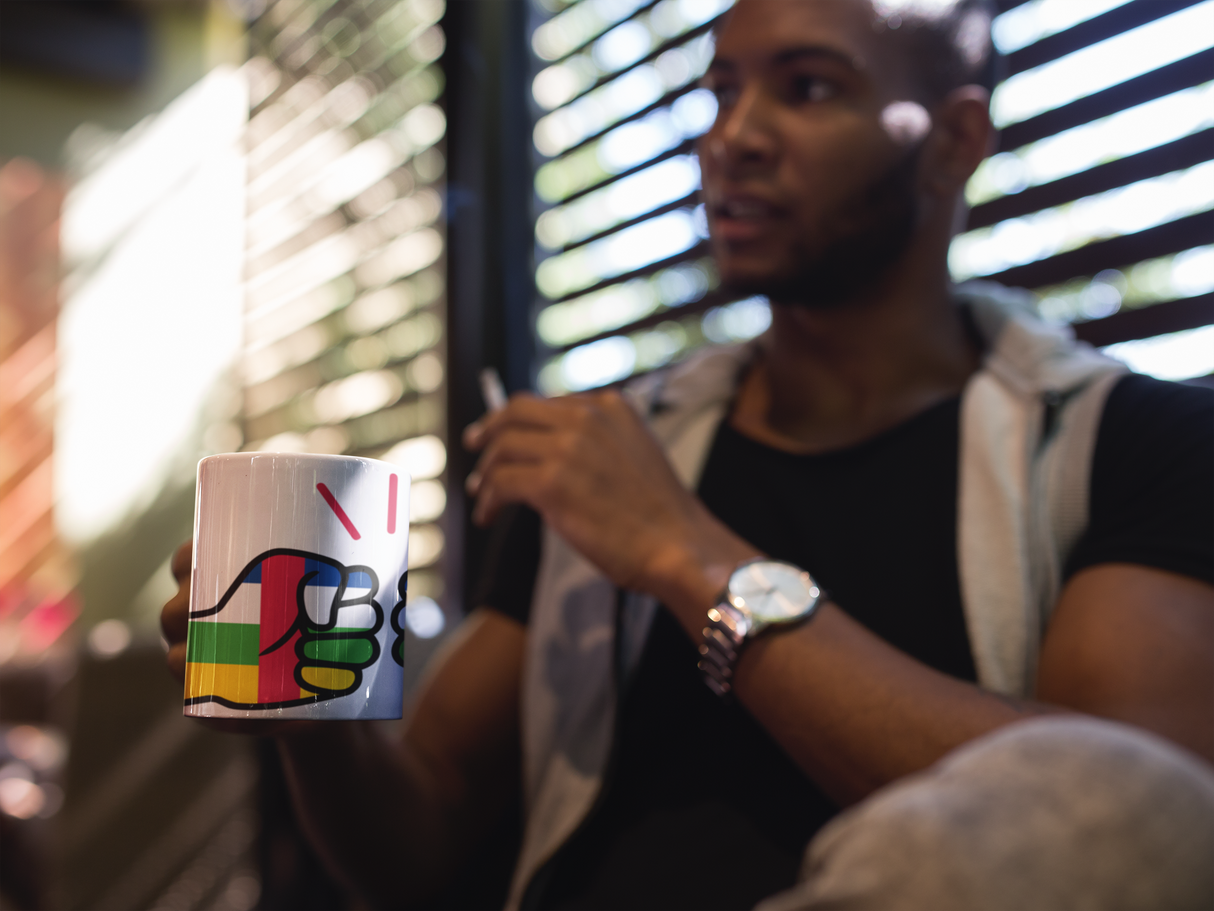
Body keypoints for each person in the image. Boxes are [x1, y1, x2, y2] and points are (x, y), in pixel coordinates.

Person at [161, 0, 1214, 908]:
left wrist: (682, 551)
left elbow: (1128, 812)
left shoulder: (1128, 443)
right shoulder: (607, 445)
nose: (731, 137)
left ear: (951, 140)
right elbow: (419, 839)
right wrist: (311, 719)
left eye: (805, 89)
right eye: (719, 91)